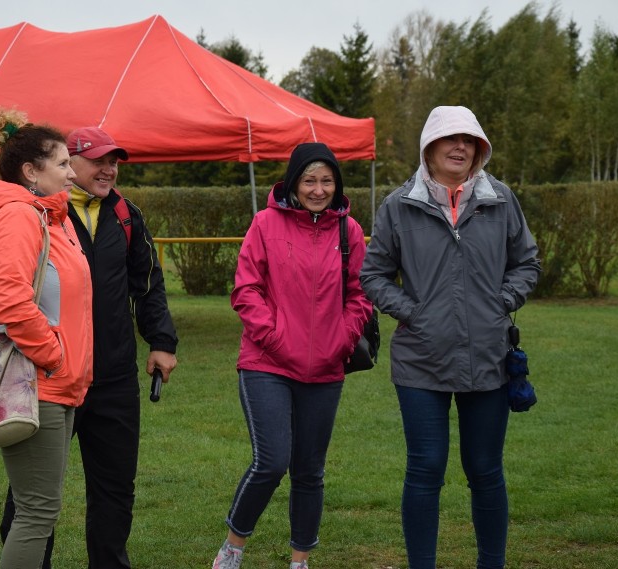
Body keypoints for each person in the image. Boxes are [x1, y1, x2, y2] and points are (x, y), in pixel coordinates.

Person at [360, 105, 541, 569]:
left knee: (485, 471)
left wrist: (501, 302)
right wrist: (413, 313)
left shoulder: (501, 199)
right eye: (450, 139)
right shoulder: (399, 205)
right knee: (425, 469)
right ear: (429, 148)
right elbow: (373, 274)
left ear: (480, 148)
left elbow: (527, 262)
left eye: (470, 140)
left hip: (489, 358)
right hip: (420, 360)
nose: (460, 147)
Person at [0, 126, 179, 569]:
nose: (109, 169)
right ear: (69, 164)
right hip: (53, 376)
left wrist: (161, 341)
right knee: (34, 497)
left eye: (114, 161)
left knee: (116, 489)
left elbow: (149, 284)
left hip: (114, 377)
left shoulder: (126, 214)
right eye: (98, 160)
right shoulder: (43, 213)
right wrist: (53, 354)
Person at [212, 142, 372, 569]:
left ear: (337, 185)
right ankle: (233, 546)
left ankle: (299, 560)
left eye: (326, 181)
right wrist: (276, 336)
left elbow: (360, 294)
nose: (318, 189)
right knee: (271, 461)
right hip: (268, 363)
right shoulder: (265, 224)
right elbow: (247, 289)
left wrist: (342, 338)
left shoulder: (349, 231)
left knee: (309, 471)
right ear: (294, 182)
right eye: (309, 180)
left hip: (326, 368)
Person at [0, 107, 93, 569]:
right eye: (63, 163)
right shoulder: (20, 218)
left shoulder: (49, 217)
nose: (72, 172)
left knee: (40, 510)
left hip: (58, 384)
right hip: (38, 382)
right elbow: (9, 303)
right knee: (37, 513)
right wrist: (55, 357)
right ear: (31, 171)